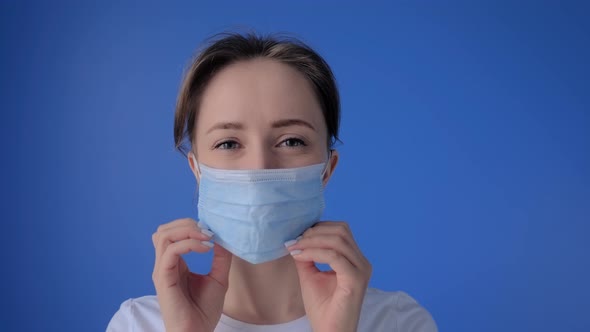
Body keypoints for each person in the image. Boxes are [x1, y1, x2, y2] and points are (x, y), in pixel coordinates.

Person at [107, 32, 438, 332]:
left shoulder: (398, 322)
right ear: (197, 168)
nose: (259, 168)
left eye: (291, 141)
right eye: (228, 143)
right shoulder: (138, 324)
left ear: (327, 169)